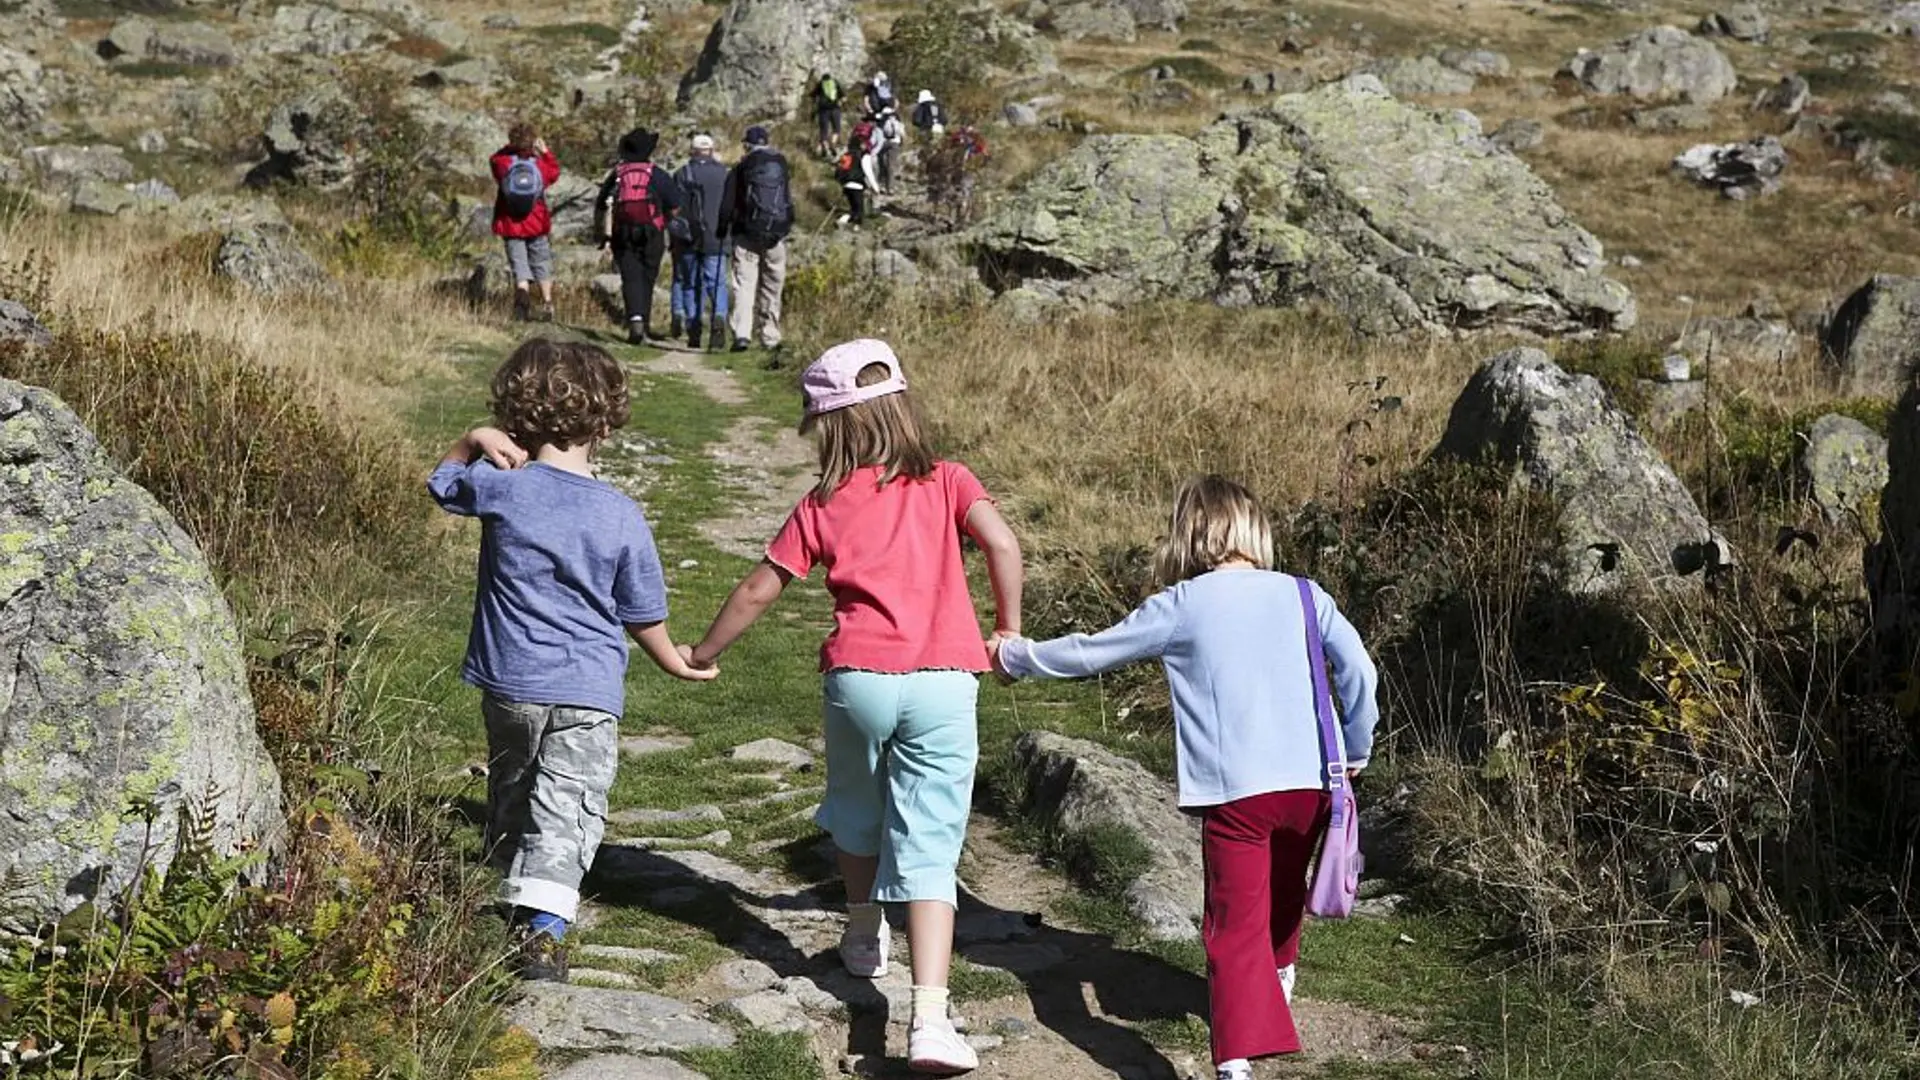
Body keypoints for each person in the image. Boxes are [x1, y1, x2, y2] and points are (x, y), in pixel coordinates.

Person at [682, 339, 1024, 1075]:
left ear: (832, 427)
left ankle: (865, 930)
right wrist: (1008, 630)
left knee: (854, 807)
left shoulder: (822, 502)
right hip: (945, 678)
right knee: (932, 844)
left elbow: (758, 588)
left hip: (859, 678)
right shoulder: (951, 482)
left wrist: (703, 654)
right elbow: (1002, 543)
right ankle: (930, 1018)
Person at [989, 475, 1380, 1080]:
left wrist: (1016, 656)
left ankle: (1236, 1058)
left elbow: (1092, 652)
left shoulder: (1184, 604)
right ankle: (1279, 983)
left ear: (1188, 536)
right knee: (1282, 895)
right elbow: (1359, 672)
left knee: (1232, 921)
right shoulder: (1305, 594)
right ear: (1256, 531)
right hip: (1312, 783)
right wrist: (1356, 746)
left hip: (1236, 791)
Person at [427, 338, 717, 983]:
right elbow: (640, 608)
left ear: (516, 416)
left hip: (507, 679)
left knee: (514, 778)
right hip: (586, 687)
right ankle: (545, 930)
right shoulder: (620, 514)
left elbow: (441, 485)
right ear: (606, 423)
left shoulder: (502, 488)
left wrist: (473, 440)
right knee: (570, 801)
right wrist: (674, 659)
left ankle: (506, 874)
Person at [594, 128, 682, 345]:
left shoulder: (617, 174)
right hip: (652, 231)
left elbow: (600, 204)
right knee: (648, 277)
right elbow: (676, 205)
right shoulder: (658, 175)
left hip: (622, 232)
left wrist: (603, 235)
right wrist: (664, 221)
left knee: (630, 276)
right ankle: (644, 322)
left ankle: (635, 320)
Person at [718, 125, 793, 353]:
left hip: (746, 234)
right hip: (775, 235)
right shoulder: (780, 165)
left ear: (747, 145)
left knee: (744, 285)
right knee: (772, 286)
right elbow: (788, 200)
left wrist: (722, 229)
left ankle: (742, 334)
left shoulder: (741, 168)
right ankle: (770, 335)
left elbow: (727, 205)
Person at [489, 123, 562, 322]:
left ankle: (522, 296)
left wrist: (510, 148)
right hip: (536, 222)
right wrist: (545, 152)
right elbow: (554, 173)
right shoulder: (539, 165)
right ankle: (547, 301)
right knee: (541, 261)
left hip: (510, 222)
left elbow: (493, 160)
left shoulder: (503, 162)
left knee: (519, 263)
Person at [672, 133, 731, 350]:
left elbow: (674, 207)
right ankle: (719, 315)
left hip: (688, 237)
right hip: (717, 236)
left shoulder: (682, 173)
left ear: (692, 151)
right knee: (716, 282)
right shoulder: (724, 174)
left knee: (690, 283)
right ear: (712, 149)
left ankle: (693, 328)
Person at [813, 72, 846, 159]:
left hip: (823, 110)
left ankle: (824, 146)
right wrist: (840, 102)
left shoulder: (820, 84)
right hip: (835, 109)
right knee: (837, 129)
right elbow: (843, 96)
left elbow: (813, 95)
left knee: (824, 131)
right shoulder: (835, 83)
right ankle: (833, 143)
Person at [878, 106, 906, 196]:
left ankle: (882, 185)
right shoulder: (898, 123)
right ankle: (890, 188)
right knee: (891, 166)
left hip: (883, 144)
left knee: (882, 164)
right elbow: (903, 135)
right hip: (895, 144)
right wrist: (902, 144)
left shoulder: (881, 122)